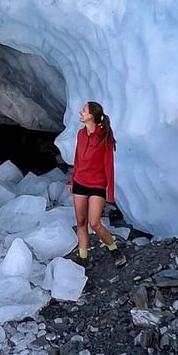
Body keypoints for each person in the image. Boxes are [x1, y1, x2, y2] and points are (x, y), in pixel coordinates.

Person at [68, 101, 125, 266]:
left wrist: (110, 192)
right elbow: (77, 159)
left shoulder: (103, 137)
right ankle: (84, 258)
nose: (81, 112)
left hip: (97, 185)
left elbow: (109, 165)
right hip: (80, 182)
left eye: (84, 111)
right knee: (80, 221)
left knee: (95, 222)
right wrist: (72, 179)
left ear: (92, 116)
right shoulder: (80, 134)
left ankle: (114, 249)